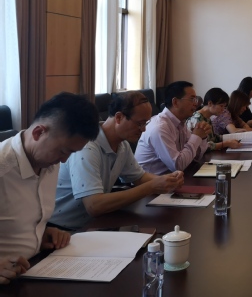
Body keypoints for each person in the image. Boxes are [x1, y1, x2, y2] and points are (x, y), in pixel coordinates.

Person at [0, 92, 99, 283]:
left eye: (72, 153)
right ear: (38, 133)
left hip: (35, 269)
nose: (64, 160)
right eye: (63, 151)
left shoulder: (48, 163)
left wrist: (41, 233)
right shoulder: (3, 169)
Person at [49, 91, 185, 230]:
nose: (143, 129)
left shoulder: (122, 145)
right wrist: (150, 187)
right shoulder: (87, 147)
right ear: (119, 117)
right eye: (139, 123)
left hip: (94, 224)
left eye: (146, 123)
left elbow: (139, 177)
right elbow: (94, 206)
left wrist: (168, 181)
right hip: (62, 230)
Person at [135, 81, 212, 174]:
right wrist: (196, 137)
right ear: (175, 102)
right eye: (192, 99)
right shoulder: (160, 128)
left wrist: (202, 137)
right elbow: (178, 166)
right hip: (152, 181)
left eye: (195, 99)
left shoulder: (180, 123)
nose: (196, 104)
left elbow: (195, 157)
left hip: (172, 178)